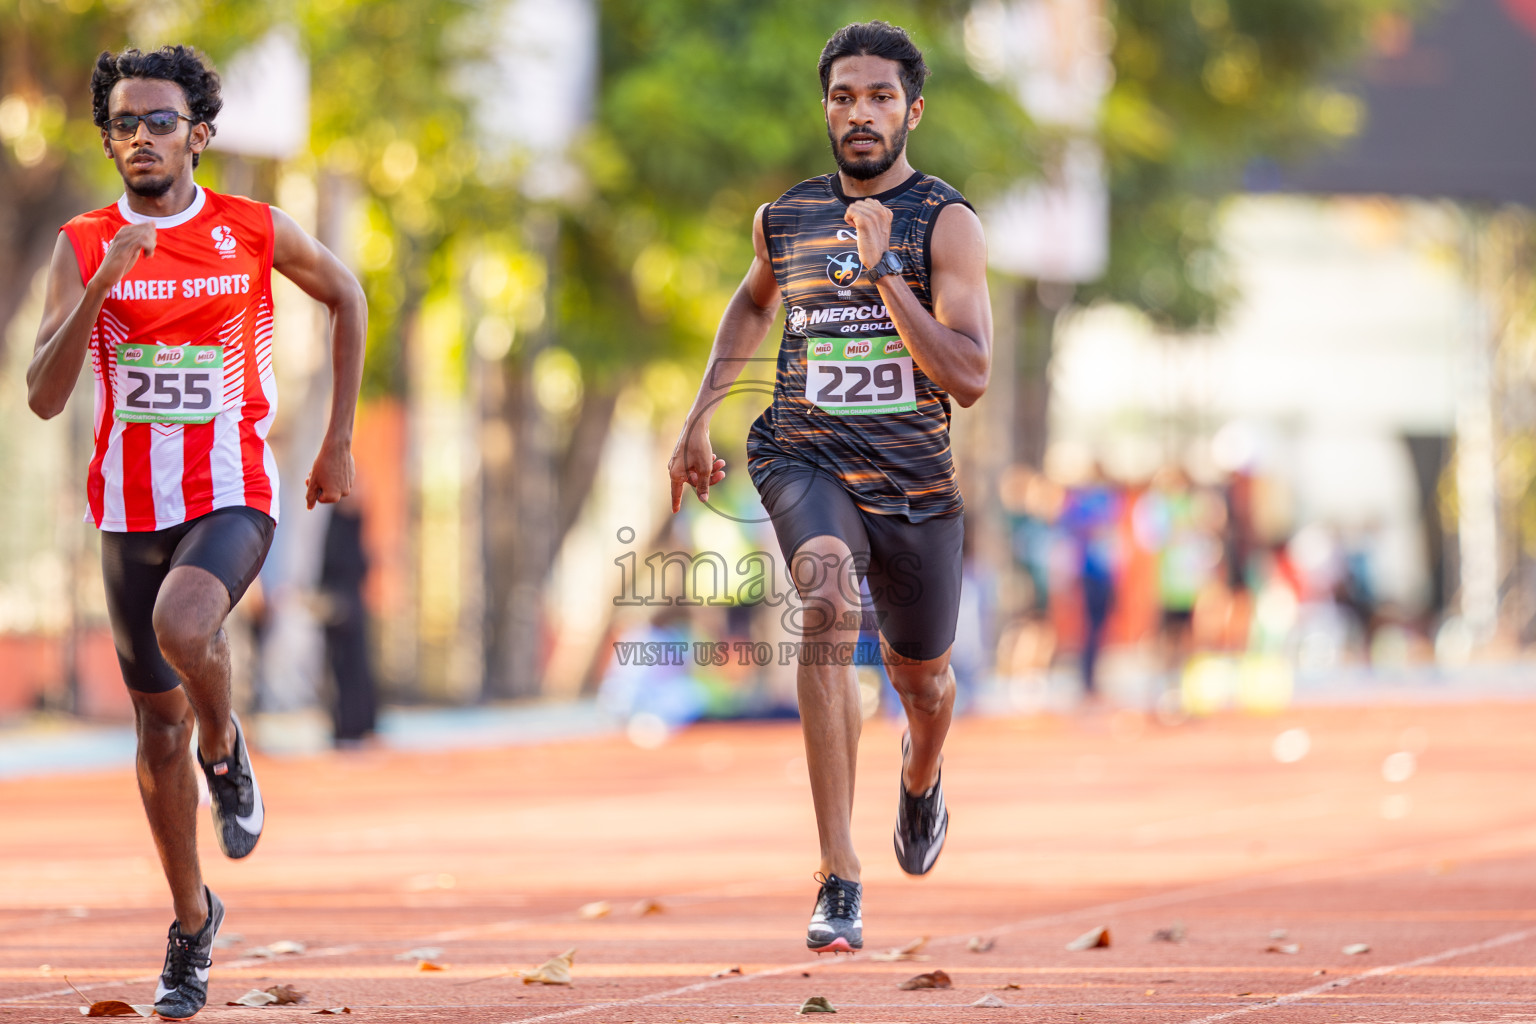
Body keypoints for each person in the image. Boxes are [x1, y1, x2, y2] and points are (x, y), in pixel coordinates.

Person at [25, 46, 365, 1020]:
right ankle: (192, 921)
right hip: (127, 511)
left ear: (199, 134)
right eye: (124, 124)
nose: (141, 137)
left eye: (160, 121)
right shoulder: (83, 242)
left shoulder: (251, 230)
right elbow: (45, 397)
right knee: (152, 732)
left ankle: (229, 743)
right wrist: (103, 286)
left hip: (231, 492)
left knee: (187, 629)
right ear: (107, 139)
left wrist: (337, 438)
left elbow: (348, 295)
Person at [667, 21, 992, 953]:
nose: (861, 113)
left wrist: (887, 268)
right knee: (824, 589)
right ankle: (839, 872)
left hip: (915, 484)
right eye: (845, 96)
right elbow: (751, 299)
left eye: (880, 97)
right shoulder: (788, 216)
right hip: (802, 453)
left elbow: (968, 379)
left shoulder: (946, 224)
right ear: (825, 108)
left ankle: (921, 776)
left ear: (912, 111)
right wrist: (699, 413)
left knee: (921, 683)